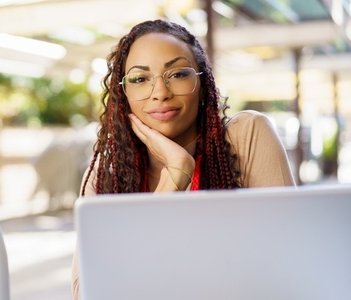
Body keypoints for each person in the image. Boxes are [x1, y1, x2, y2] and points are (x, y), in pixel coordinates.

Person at [71, 19, 295, 299]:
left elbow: (287, 266)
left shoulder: (246, 136)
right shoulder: (107, 175)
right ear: (123, 93)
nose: (161, 93)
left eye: (177, 74)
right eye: (140, 79)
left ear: (202, 82)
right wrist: (174, 177)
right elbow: (89, 294)